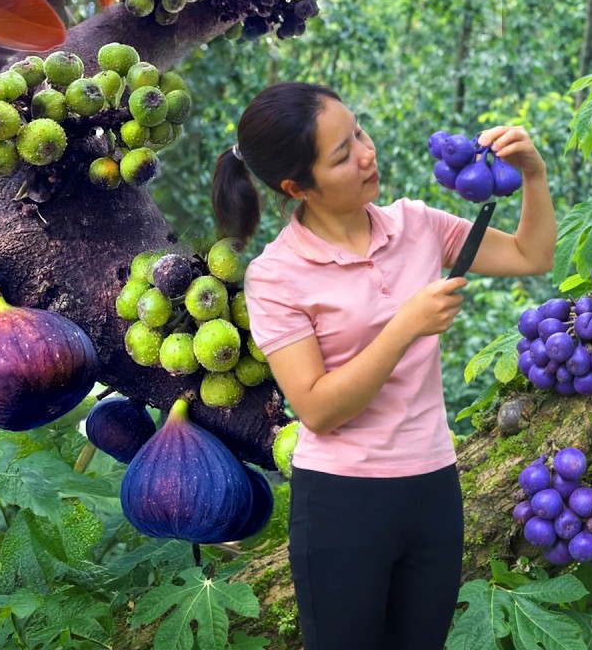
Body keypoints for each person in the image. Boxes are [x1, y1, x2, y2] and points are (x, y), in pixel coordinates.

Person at [210, 81, 556, 650]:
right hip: (344, 500)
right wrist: (405, 325)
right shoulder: (275, 276)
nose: (367, 154)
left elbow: (531, 254)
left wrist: (534, 175)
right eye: (343, 154)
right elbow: (318, 410)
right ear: (298, 187)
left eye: (360, 133)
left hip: (434, 486)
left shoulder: (416, 225)